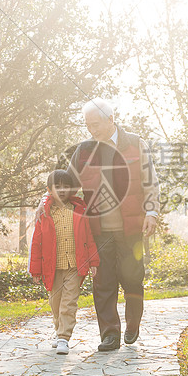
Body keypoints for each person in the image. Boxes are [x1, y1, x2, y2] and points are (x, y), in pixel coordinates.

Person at [67, 98, 160, 352]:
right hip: (97, 230)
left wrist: (151, 212)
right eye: (87, 125)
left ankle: (132, 325)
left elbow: (150, 181)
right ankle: (109, 334)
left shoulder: (135, 144)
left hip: (131, 227)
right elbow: (68, 183)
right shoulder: (84, 150)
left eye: (95, 124)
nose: (92, 130)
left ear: (111, 120)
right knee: (103, 282)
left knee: (132, 278)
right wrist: (51, 201)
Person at [29, 169, 99, 354]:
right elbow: (37, 242)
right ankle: (59, 331)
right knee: (56, 302)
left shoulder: (78, 210)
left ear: (72, 190)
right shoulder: (44, 214)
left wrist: (93, 262)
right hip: (52, 266)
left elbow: (88, 238)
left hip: (75, 266)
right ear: (49, 190)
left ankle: (63, 338)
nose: (61, 190)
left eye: (66, 186)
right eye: (57, 187)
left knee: (69, 302)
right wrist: (35, 271)